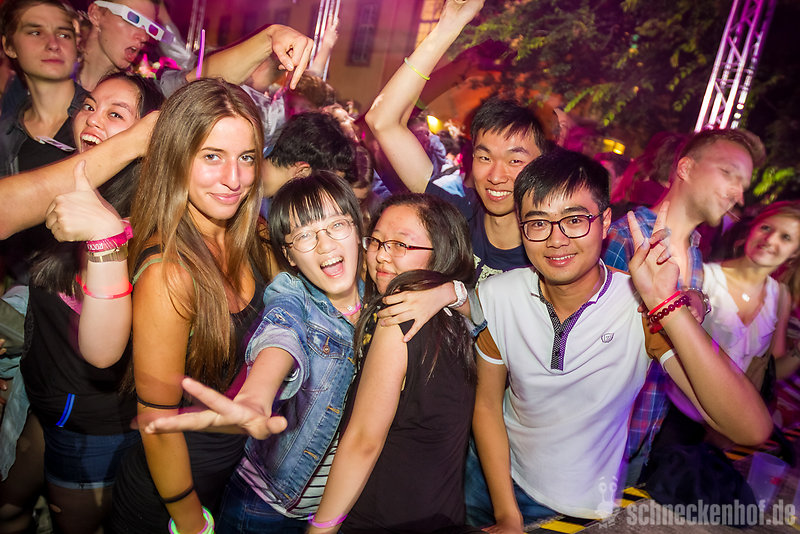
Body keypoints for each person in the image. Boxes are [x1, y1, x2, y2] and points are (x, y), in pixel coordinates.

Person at [467, 148, 771, 531]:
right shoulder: (498, 294)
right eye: (538, 222)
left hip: (577, 508)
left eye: (574, 220)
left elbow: (750, 429)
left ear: (605, 222)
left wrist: (666, 303)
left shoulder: (640, 310)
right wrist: (507, 513)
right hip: (486, 480)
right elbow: (487, 405)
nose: (556, 239)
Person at [145, 171, 364, 533]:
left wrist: (453, 294)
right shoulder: (293, 296)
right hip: (265, 508)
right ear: (289, 256)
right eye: (304, 235)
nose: (324, 245)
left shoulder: (384, 300)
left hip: (344, 507)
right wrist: (256, 396)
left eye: (336, 225)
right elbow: (280, 335)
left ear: (357, 229)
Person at [108, 78, 274, 534]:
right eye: (212, 157)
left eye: (247, 158)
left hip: (229, 479)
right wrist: (191, 523)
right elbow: (157, 424)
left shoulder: (253, 237)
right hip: (168, 501)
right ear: (176, 157)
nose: (234, 180)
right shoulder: (170, 274)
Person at [0, 72, 161, 534]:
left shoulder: (138, 222)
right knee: (7, 508)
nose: (92, 119)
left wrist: (106, 240)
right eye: (89, 106)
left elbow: (105, 349)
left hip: (91, 423)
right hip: (44, 396)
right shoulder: (62, 179)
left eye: (116, 114)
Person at [603, 127, 767, 485]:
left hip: (641, 441)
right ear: (686, 168)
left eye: (743, 184)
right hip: (599, 445)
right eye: (729, 173)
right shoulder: (627, 239)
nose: (738, 193)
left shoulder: (693, 253)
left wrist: (698, 301)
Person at [309, 193, 479, 533]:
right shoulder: (456, 320)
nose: (382, 255)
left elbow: (363, 442)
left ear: (442, 251)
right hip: (437, 514)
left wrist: (321, 527)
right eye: (376, 241)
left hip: (385, 517)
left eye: (401, 244)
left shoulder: (399, 321)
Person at [364, 0, 550, 282]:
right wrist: (448, 27)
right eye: (485, 157)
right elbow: (382, 120)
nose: (495, 176)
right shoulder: (457, 218)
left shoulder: (550, 254)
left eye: (515, 160)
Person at [662, 201, 800, 438]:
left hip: (722, 427)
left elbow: (772, 370)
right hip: (673, 414)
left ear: (795, 252)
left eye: (785, 237)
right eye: (766, 228)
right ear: (752, 228)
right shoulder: (704, 276)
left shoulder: (780, 296)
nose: (770, 239)